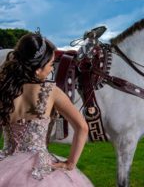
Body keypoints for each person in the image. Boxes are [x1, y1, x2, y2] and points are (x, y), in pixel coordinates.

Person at [0, 33, 94, 186]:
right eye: (51, 64)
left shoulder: (4, 91)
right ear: (38, 69)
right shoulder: (51, 91)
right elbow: (82, 127)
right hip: (39, 169)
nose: (51, 69)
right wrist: (70, 163)